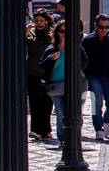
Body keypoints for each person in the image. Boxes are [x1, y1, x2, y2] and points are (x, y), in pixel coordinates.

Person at [40, 23, 89, 145]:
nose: (64, 34)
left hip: (72, 84)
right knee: (60, 111)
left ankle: (73, 137)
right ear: (57, 32)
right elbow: (41, 64)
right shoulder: (52, 48)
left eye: (67, 31)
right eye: (62, 31)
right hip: (55, 85)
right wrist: (51, 58)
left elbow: (85, 61)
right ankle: (62, 139)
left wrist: (77, 69)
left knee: (74, 111)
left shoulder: (75, 47)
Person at [82, 14, 109, 143]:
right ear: (95, 25)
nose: (103, 30)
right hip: (94, 76)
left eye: (107, 27)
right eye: (101, 27)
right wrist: (85, 72)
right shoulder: (88, 40)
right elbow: (81, 57)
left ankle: (106, 120)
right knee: (96, 103)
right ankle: (99, 129)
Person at [26, 10, 54, 140]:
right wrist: (24, 34)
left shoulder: (52, 34)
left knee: (47, 102)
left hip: (47, 73)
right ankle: (35, 129)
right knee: (34, 102)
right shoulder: (30, 34)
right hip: (32, 72)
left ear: (46, 21)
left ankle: (46, 129)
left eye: (41, 20)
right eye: (36, 21)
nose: (38, 23)